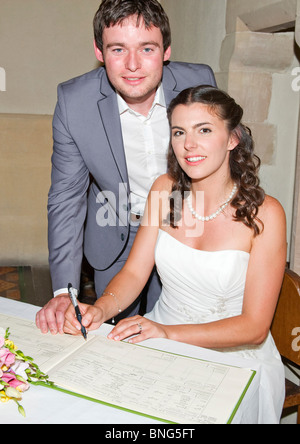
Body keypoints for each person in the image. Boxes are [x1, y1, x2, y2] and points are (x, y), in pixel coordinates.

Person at [64, 85, 287, 423]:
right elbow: (136, 273)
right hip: (160, 332)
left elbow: (254, 327)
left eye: (205, 130)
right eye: (179, 132)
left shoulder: (266, 214)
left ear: (232, 139)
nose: (189, 145)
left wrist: (168, 333)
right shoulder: (164, 189)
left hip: (235, 355)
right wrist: (100, 307)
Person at [35, 0, 216, 335]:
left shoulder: (200, 82)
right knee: (111, 338)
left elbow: (219, 163)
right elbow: (66, 199)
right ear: (99, 51)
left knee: (177, 338)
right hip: (114, 233)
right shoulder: (75, 102)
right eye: (118, 49)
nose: (133, 65)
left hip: (182, 230)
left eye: (147, 48)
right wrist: (64, 290)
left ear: (166, 50)